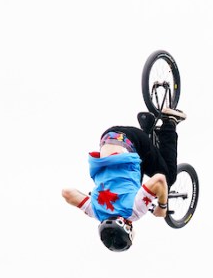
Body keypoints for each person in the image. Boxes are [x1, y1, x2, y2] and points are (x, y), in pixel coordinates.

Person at [61, 107, 186, 252]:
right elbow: (67, 193)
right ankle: (148, 125)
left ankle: (169, 122)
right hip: (107, 137)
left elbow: (159, 180)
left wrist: (162, 207)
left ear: (128, 229)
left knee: (168, 177)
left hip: (133, 141)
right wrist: (89, 199)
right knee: (134, 179)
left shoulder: (134, 211)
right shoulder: (95, 211)